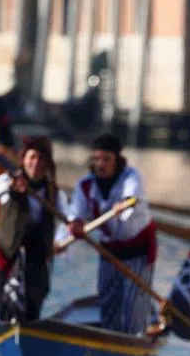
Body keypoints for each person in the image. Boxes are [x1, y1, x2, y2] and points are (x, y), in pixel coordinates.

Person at [65, 134, 157, 334]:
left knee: (133, 307)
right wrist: (75, 223)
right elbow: (75, 211)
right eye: (96, 159)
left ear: (117, 161)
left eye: (107, 159)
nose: (101, 164)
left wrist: (123, 205)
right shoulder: (85, 184)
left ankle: (133, 341)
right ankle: (109, 341)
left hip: (137, 251)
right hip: (109, 250)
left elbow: (130, 200)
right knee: (108, 304)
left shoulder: (132, 176)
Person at [0, 136, 64, 323]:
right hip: (6, 254)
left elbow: (69, 217)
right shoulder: (7, 179)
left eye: (41, 159)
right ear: (24, 159)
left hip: (35, 258)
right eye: (32, 157)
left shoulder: (53, 192)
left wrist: (63, 237)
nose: (36, 163)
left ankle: (28, 328)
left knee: (32, 301)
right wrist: (11, 185)